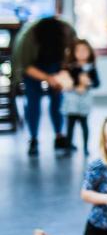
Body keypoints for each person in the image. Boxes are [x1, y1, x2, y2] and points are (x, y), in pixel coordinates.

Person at [11, 16, 76, 156]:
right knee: (33, 102)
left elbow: (72, 58)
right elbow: (26, 66)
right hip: (33, 65)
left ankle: (59, 136)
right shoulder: (27, 39)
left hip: (56, 63)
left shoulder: (68, 32)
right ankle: (33, 139)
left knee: (58, 100)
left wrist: (61, 77)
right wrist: (48, 78)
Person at [62, 38, 100, 155]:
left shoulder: (91, 68)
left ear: (89, 52)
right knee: (70, 125)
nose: (82, 53)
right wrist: (74, 85)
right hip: (72, 100)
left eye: (85, 50)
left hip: (84, 101)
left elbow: (97, 83)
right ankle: (68, 147)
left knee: (84, 124)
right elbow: (67, 81)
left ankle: (85, 148)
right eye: (78, 51)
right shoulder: (70, 67)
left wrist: (89, 83)